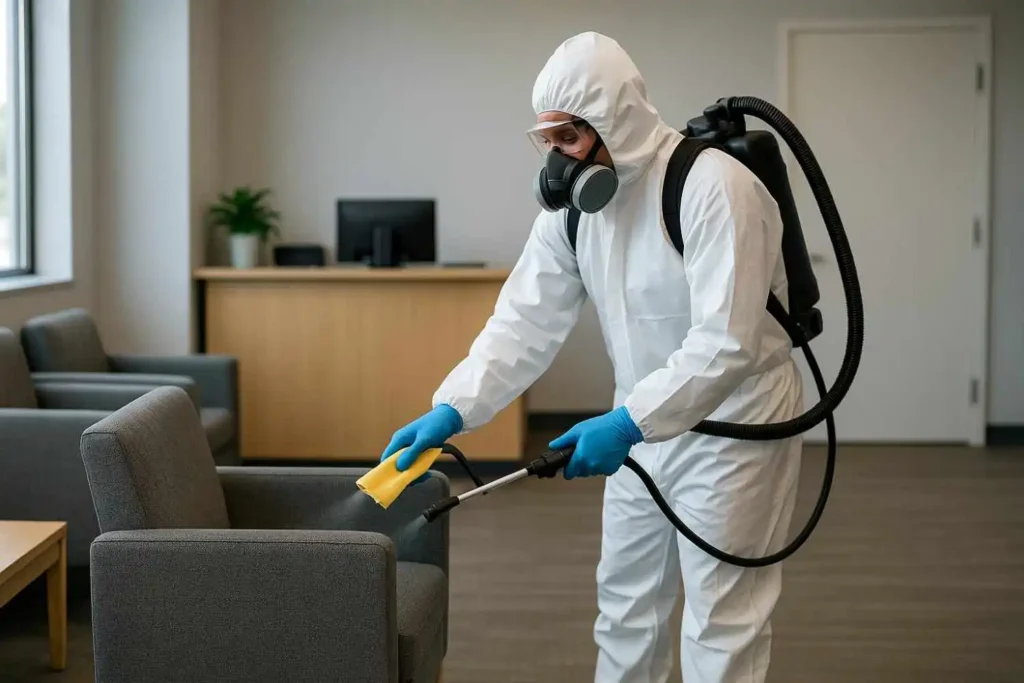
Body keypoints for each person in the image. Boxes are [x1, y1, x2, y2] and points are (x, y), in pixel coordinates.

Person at [382, 31, 803, 683]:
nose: (557, 158)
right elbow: (523, 321)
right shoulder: (572, 214)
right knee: (626, 606)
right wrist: (453, 408)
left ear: (616, 121)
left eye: (568, 137)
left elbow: (728, 341)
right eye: (547, 139)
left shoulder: (715, 188)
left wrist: (630, 422)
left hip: (736, 427)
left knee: (722, 619)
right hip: (637, 423)